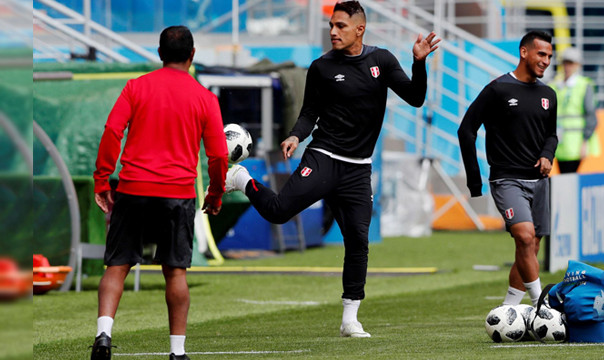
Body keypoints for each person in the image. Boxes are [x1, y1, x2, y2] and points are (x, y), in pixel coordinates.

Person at [223, 0, 440, 337]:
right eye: (331, 26)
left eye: (340, 26)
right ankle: (241, 178)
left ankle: (349, 319)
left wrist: (419, 62)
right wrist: (296, 135)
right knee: (279, 211)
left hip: (358, 169)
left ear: (359, 29)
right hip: (323, 156)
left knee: (357, 240)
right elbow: (310, 111)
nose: (333, 31)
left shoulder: (381, 60)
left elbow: (415, 97)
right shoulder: (321, 66)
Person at [91, 26, 229, 360]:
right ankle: (177, 353)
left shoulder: (136, 87)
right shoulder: (205, 98)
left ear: (159, 53)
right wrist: (215, 193)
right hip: (177, 193)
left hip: (133, 187)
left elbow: (112, 131)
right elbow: (219, 156)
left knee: (117, 266)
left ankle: (104, 335)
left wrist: (102, 179)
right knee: (175, 271)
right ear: (192, 55)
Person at [457, 31, 557, 307]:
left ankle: (509, 308)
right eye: (541, 54)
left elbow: (552, 135)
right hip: (507, 179)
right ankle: (541, 306)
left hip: (539, 181)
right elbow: (466, 130)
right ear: (524, 52)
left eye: (549, 56)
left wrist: (548, 154)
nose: (546, 61)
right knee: (524, 237)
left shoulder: (548, 94)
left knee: (530, 247)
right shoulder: (497, 89)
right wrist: (474, 181)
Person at [549, 47, 600, 173]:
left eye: (571, 63)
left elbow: (590, 116)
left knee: (569, 178)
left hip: (576, 145)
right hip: (560, 144)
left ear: (578, 65)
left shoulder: (584, 85)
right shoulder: (554, 86)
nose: (567, 66)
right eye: (565, 62)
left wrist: (585, 142)